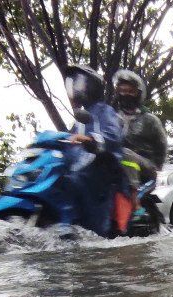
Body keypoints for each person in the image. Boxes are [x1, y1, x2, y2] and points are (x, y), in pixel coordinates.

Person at [63, 64, 129, 236]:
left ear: (91, 85)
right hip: (83, 171)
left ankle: (95, 236)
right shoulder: (80, 118)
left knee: (76, 184)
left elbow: (112, 137)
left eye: (80, 82)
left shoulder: (104, 111)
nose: (76, 88)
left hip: (103, 172)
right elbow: (67, 141)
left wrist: (91, 140)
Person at [111, 70, 168, 185]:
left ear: (138, 93)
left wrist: (155, 168)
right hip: (118, 166)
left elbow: (162, 148)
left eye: (130, 91)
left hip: (145, 168)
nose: (126, 94)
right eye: (122, 91)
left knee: (125, 153)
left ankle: (133, 194)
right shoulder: (112, 117)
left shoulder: (150, 120)